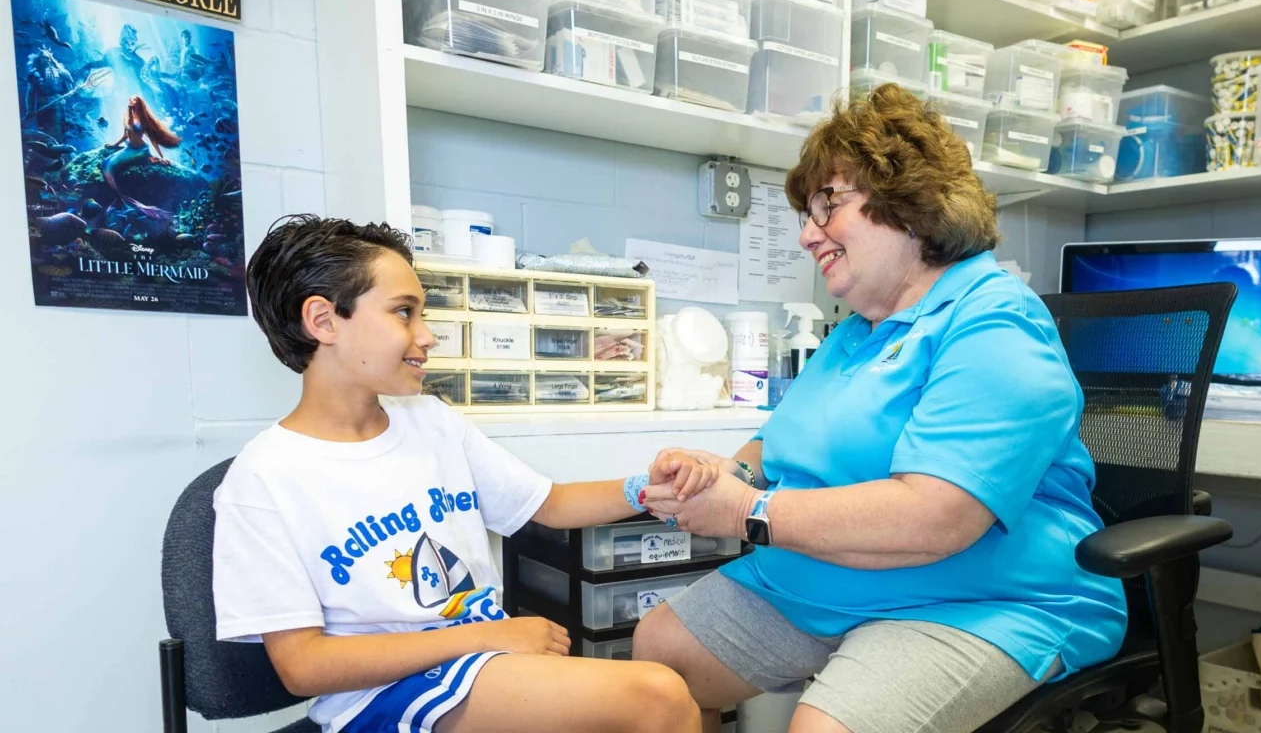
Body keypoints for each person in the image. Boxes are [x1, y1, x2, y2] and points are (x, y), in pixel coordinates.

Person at [632, 85, 1128, 733]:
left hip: (978, 596)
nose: (808, 234)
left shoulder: (995, 320)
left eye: (825, 204)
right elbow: (776, 443)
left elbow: (937, 516)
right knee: (660, 656)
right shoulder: (858, 330)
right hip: (839, 577)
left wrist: (749, 513)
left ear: (908, 200)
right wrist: (729, 475)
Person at [214, 215, 717, 733]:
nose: (427, 336)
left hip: (483, 664)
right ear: (323, 321)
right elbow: (302, 666)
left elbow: (550, 504)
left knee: (670, 698)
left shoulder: (431, 422)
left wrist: (648, 488)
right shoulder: (265, 478)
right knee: (659, 699)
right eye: (404, 313)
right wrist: (483, 638)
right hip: (381, 698)